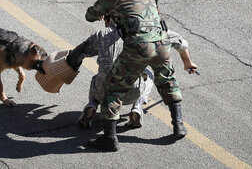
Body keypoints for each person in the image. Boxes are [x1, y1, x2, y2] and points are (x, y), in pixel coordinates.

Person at [78, 0, 187, 152]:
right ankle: (178, 125)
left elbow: (90, 15)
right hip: (162, 43)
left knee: (113, 87)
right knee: (167, 80)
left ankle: (109, 138)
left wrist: (106, 12)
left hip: (138, 46)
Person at [68, 23, 198, 129]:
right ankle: (137, 107)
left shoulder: (102, 34)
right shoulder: (152, 32)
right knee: (147, 75)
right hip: (132, 92)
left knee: (99, 77)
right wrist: (187, 62)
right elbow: (182, 43)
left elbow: (79, 53)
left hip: (104, 93)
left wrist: (67, 68)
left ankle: (92, 105)